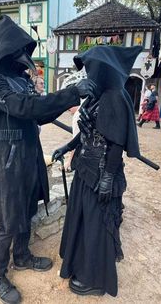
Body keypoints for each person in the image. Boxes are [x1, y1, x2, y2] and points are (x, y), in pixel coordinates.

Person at [0, 15, 95, 304]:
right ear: (5, 48)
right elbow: (20, 106)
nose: (23, 58)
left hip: (29, 153)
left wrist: (70, 99)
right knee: (7, 219)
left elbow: (38, 112)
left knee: (27, 207)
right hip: (7, 158)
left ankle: (22, 256)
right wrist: (69, 92)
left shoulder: (21, 79)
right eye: (18, 51)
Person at [52, 45, 142, 297]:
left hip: (102, 172)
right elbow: (86, 134)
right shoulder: (96, 96)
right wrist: (67, 146)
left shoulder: (115, 96)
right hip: (84, 167)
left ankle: (95, 279)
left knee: (96, 224)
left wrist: (109, 177)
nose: (87, 74)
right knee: (83, 219)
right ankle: (79, 264)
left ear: (102, 70)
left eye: (91, 68)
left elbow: (116, 143)